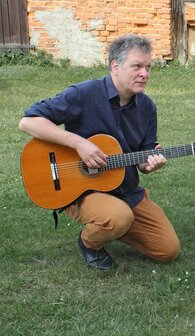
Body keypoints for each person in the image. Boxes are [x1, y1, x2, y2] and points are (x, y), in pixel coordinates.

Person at [18, 34, 180, 270]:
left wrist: (150, 164)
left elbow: (145, 156)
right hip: (81, 189)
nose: (145, 73)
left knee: (168, 250)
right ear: (115, 65)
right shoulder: (84, 94)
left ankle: (115, 224)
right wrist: (78, 143)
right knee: (118, 217)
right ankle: (90, 242)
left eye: (148, 67)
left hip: (126, 190)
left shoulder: (147, 107)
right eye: (137, 66)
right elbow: (28, 122)